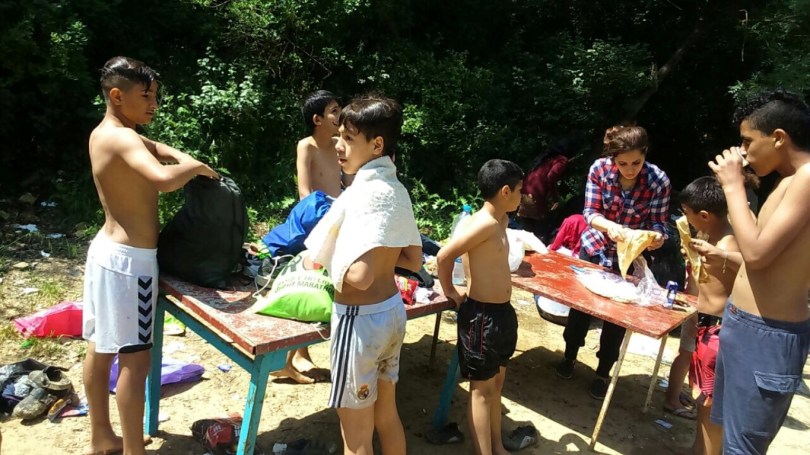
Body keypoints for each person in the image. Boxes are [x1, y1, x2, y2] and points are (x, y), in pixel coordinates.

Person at [83, 56, 218, 455]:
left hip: (105, 254)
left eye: (155, 96)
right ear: (116, 95)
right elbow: (162, 180)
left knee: (101, 348)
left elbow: (155, 148)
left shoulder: (106, 132)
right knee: (136, 362)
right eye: (145, 96)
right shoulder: (125, 139)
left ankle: (102, 436)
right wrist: (194, 168)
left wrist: (181, 157)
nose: (153, 104)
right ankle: (133, 450)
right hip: (130, 265)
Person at [304, 95, 422, 455]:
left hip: (360, 322)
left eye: (348, 139)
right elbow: (413, 259)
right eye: (339, 136)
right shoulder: (396, 189)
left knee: (355, 437)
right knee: (387, 416)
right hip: (391, 313)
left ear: (377, 145)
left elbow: (359, 276)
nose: (338, 146)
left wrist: (326, 257)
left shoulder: (362, 195)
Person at [708, 89, 810, 454]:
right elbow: (765, 256)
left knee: (743, 447)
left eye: (748, 141)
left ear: (778, 137)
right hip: (743, 323)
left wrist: (733, 185)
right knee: (727, 433)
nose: (744, 152)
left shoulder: (808, 177)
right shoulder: (788, 180)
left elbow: (756, 254)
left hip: (768, 335)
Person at [556, 125, 671, 400]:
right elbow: (590, 212)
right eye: (623, 164)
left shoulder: (658, 181)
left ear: (645, 154)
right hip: (595, 247)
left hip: (631, 257)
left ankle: (603, 372)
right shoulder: (599, 169)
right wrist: (610, 227)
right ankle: (569, 356)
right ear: (613, 159)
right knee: (580, 307)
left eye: (636, 163)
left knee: (618, 317)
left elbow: (659, 223)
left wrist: (656, 237)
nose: (629, 170)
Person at [437, 159, 524, 455]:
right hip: (482, 316)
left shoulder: (501, 220)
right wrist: (451, 291)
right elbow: (444, 256)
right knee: (481, 390)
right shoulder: (483, 223)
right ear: (505, 191)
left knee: (496, 385)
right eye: (519, 190)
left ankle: (497, 446)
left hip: (502, 313)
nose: (522, 196)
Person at [272, 90, 342, 384]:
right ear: (317, 119)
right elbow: (304, 192)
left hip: (338, 221)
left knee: (322, 291)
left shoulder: (339, 144)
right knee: (306, 288)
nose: (339, 116)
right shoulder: (306, 145)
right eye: (334, 111)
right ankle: (287, 360)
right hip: (315, 222)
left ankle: (301, 354)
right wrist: (324, 222)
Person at [677, 176, 743, 454]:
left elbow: (750, 269)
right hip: (704, 327)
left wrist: (720, 256)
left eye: (686, 213)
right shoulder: (710, 239)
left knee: (710, 406)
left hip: (717, 331)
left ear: (704, 215)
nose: (685, 219)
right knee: (702, 401)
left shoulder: (727, 245)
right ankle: (698, 449)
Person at [517, 139, 577, 242]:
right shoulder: (561, 160)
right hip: (537, 197)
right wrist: (555, 199)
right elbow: (551, 176)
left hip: (525, 194)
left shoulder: (544, 158)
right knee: (542, 231)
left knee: (527, 229)